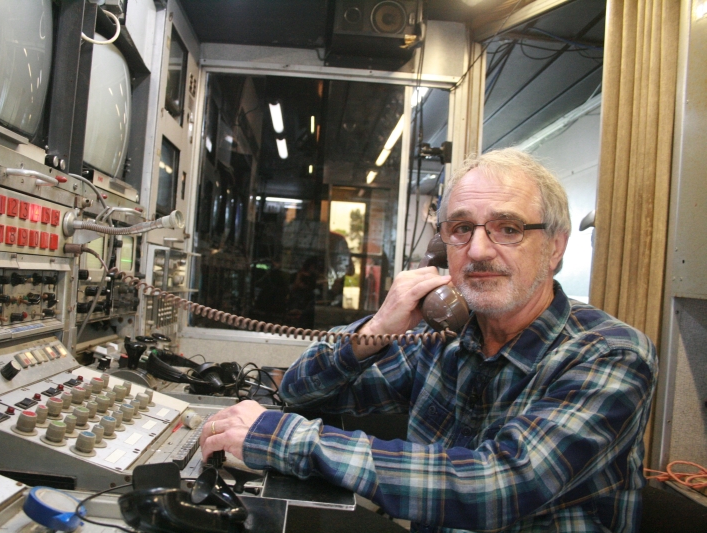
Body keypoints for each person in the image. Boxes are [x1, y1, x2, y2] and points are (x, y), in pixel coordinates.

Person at [200, 148, 657, 533]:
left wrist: (283, 438)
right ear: (441, 249)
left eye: (508, 228)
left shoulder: (609, 353)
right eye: (461, 229)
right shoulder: (442, 340)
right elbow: (298, 388)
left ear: (555, 246)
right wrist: (377, 327)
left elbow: (494, 485)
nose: (477, 250)